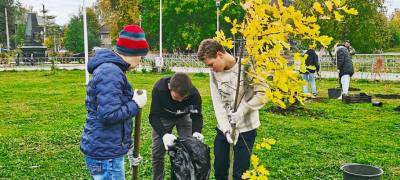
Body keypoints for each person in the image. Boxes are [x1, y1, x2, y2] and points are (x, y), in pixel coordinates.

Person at [80, 24, 149, 179]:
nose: (140, 61)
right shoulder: (110, 72)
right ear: (134, 52)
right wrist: (136, 104)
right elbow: (108, 115)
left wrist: (127, 148)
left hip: (106, 149)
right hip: (105, 154)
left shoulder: (113, 70)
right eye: (141, 56)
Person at [197, 39, 266, 180]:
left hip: (246, 129)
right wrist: (226, 129)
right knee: (220, 170)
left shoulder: (246, 67)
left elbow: (263, 94)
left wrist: (242, 111)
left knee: (240, 174)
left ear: (219, 54)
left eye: (211, 64)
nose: (210, 69)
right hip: (224, 128)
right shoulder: (214, 74)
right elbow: (218, 102)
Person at [149, 72, 203, 180]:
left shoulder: (193, 93)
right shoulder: (159, 89)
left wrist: (196, 131)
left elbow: (196, 115)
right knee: (157, 153)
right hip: (163, 117)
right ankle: (157, 178)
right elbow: (153, 116)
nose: (179, 101)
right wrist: (164, 135)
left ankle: (186, 177)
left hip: (184, 117)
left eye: (183, 98)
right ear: (169, 87)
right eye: (176, 97)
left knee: (189, 149)